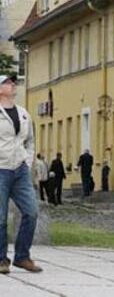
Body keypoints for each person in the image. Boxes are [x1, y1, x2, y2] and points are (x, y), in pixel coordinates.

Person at [0, 73, 42, 274]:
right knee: (0, 218)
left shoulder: (24, 113)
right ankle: (1, 260)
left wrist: (28, 160)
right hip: (1, 170)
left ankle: (22, 257)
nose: (12, 84)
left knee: (31, 212)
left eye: (13, 82)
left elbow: (30, 140)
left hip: (20, 170)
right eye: (7, 82)